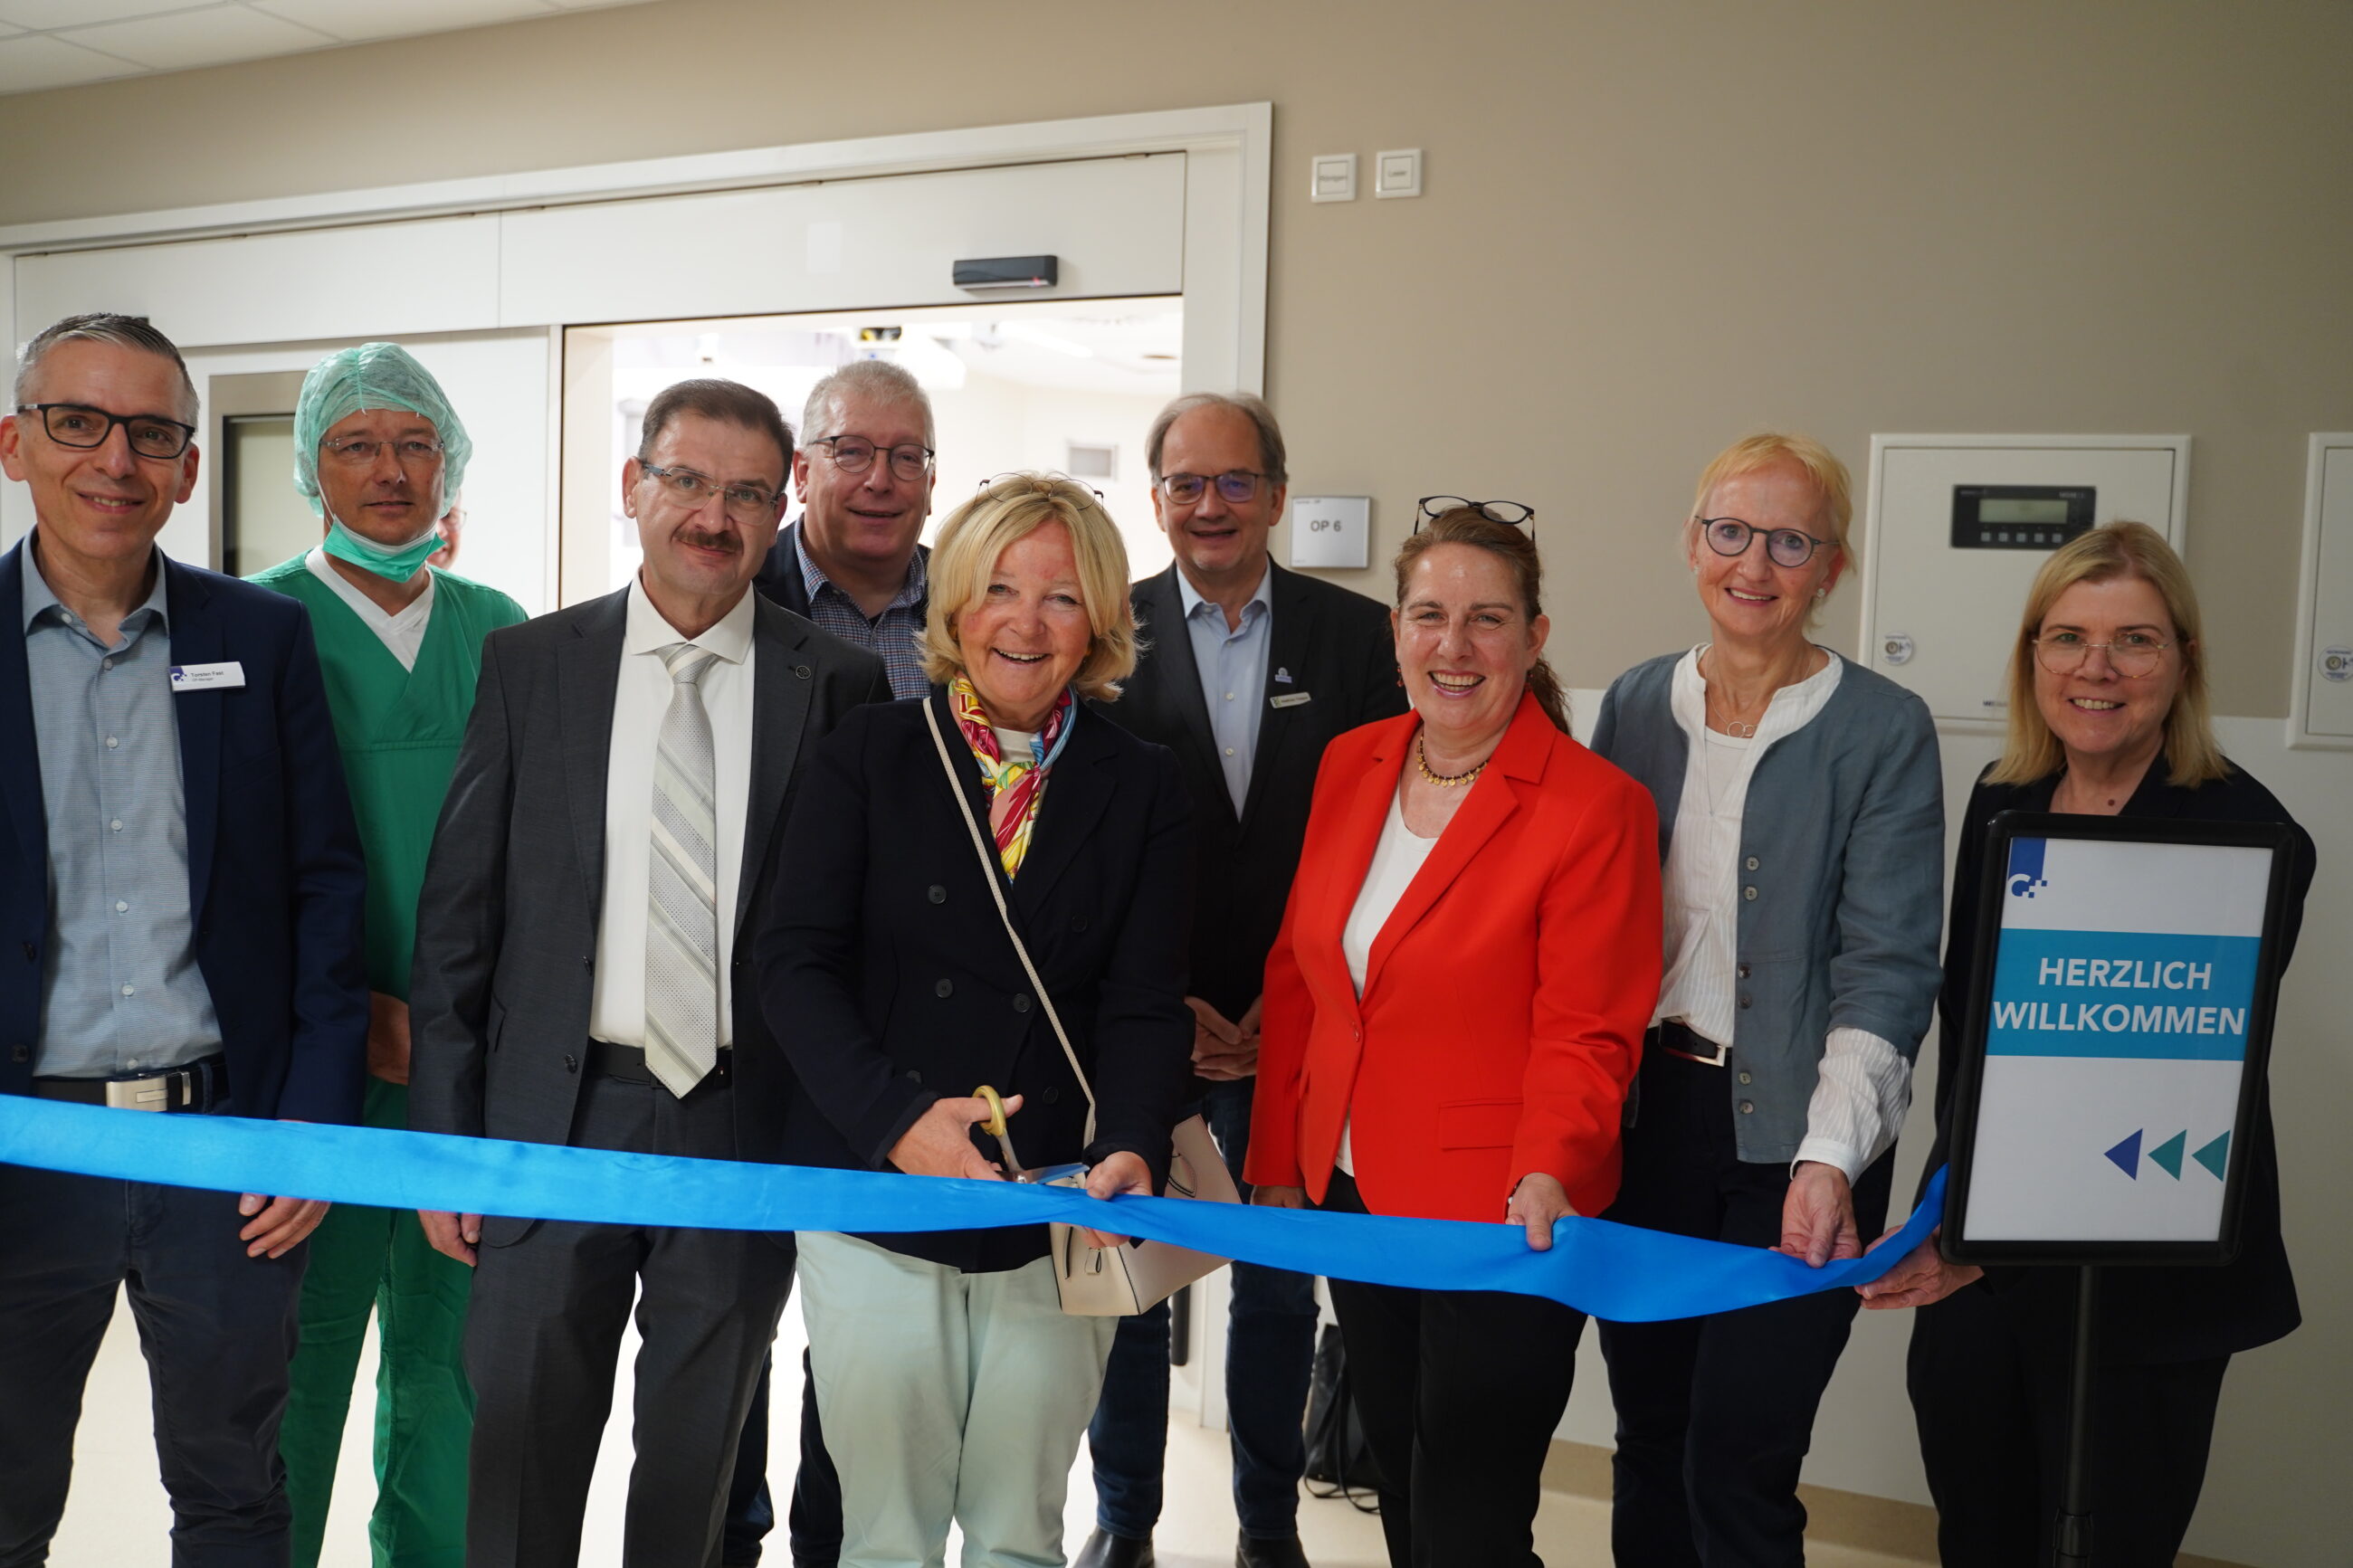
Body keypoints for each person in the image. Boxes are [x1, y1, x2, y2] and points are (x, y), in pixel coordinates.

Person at [405, 378, 888, 1568]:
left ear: (779, 511)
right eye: (686, 480)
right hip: (548, 1122)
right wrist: (448, 1145)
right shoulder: (531, 665)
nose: (712, 517)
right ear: (634, 486)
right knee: (519, 1458)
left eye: (746, 494)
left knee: (695, 1471)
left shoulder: (835, 682)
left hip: (739, 1124)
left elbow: (852, 938)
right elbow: (459, 924)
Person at [758, 473, 1194, 1568]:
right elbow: (791, 962)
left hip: (1055, 1203)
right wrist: (897, 1120)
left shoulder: (1143, 782)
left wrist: (1130, 1139)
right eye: (999, 587)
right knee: (885, 1536)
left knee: (1016, 1531)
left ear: (1098, 620)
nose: (1025, 622)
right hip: (874, 1190)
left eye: (1060, 596)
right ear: (953, 604)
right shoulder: (868, 751)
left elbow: (1144, 1001)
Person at [1860, 520, 2315, 1566]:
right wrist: (1947, 1220)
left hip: (2146, 1267)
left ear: (2182, 661)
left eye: (2132, 640)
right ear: (2031, 656)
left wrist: (1982, 1238)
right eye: (2065, 637)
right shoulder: (2000, 800)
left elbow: (2166, 1082)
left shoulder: (2246, 837)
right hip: (1983, 1266)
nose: (2094, 668)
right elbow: (1974, 1046)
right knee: (1976, 1529)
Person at [0, 312, 368, 1565]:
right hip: (22, 1146)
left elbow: (327, 888)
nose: (116, 459)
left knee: (233, 1495)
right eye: (79, 422)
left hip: (225, 1151)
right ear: (16, 444)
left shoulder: (258, 638)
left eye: (152, 433)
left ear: (190, 467)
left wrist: (312, 1120)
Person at [1246, 503, 1662, 1567]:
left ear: (1533, 635)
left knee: (1470, 1519)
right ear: (1394, 631)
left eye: (1487, 618)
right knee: (1398, 1481)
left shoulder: (1593, 806)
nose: (1454, 645)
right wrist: (1277, 1157)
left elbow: (1588, 1029)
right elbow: (1299, 974)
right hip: (1353, 1190)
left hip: (1505, 1210)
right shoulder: (1351, 761)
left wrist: (1549, 1166)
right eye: (1428, 615)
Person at [1587, 433, 1945, 1566]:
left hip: (1802, 1135)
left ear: (1830, 566)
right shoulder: (1634, 702)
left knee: (1736, 1459)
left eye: (1790, 541)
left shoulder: (1882, 728)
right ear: (1691, 542)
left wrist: (1828, 1157)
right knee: (1649, 1435)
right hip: (1648, 1127)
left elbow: (1888, 964)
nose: (1753, 563)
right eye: (1730, 531)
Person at [1079, 391, 1405, 1568]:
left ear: (1274, 493)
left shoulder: (1361, 639)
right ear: (1155, 497)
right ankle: (1124, 1521)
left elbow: (1385, 834)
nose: (1208, 504)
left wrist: (1297, 996)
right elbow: (1082, 840)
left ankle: (1268, 1526)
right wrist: (1160, 1002)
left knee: (1275, 1290)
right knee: (1128, 1285)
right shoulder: (1099, 633)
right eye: (1185, 483)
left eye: (1233, 481)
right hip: (1140, 1023)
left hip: (1297, 1029)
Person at [247, 342, 528, 1568]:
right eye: (356, 444)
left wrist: (467, 1021)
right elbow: (224, 865)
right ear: (312, 466)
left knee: (453, 1365)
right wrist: (345, 1012)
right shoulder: (256, 623)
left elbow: (541, 851)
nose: (391, 469)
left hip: (467, 1072)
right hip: (313, 1071)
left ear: (449, 462)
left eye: (416, 443)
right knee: (295, 1364)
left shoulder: (500, 630)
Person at [731, 356, 935, 1568]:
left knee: (861, 1341)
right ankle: (729, 1536)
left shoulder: (970, 612)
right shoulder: (723, 582)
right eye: (852, 451)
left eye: (905, 455)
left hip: (902, 1046)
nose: (879, 478)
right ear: (803, 470)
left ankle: (830, 1540)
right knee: (727, 1325)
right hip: (737, 1026)